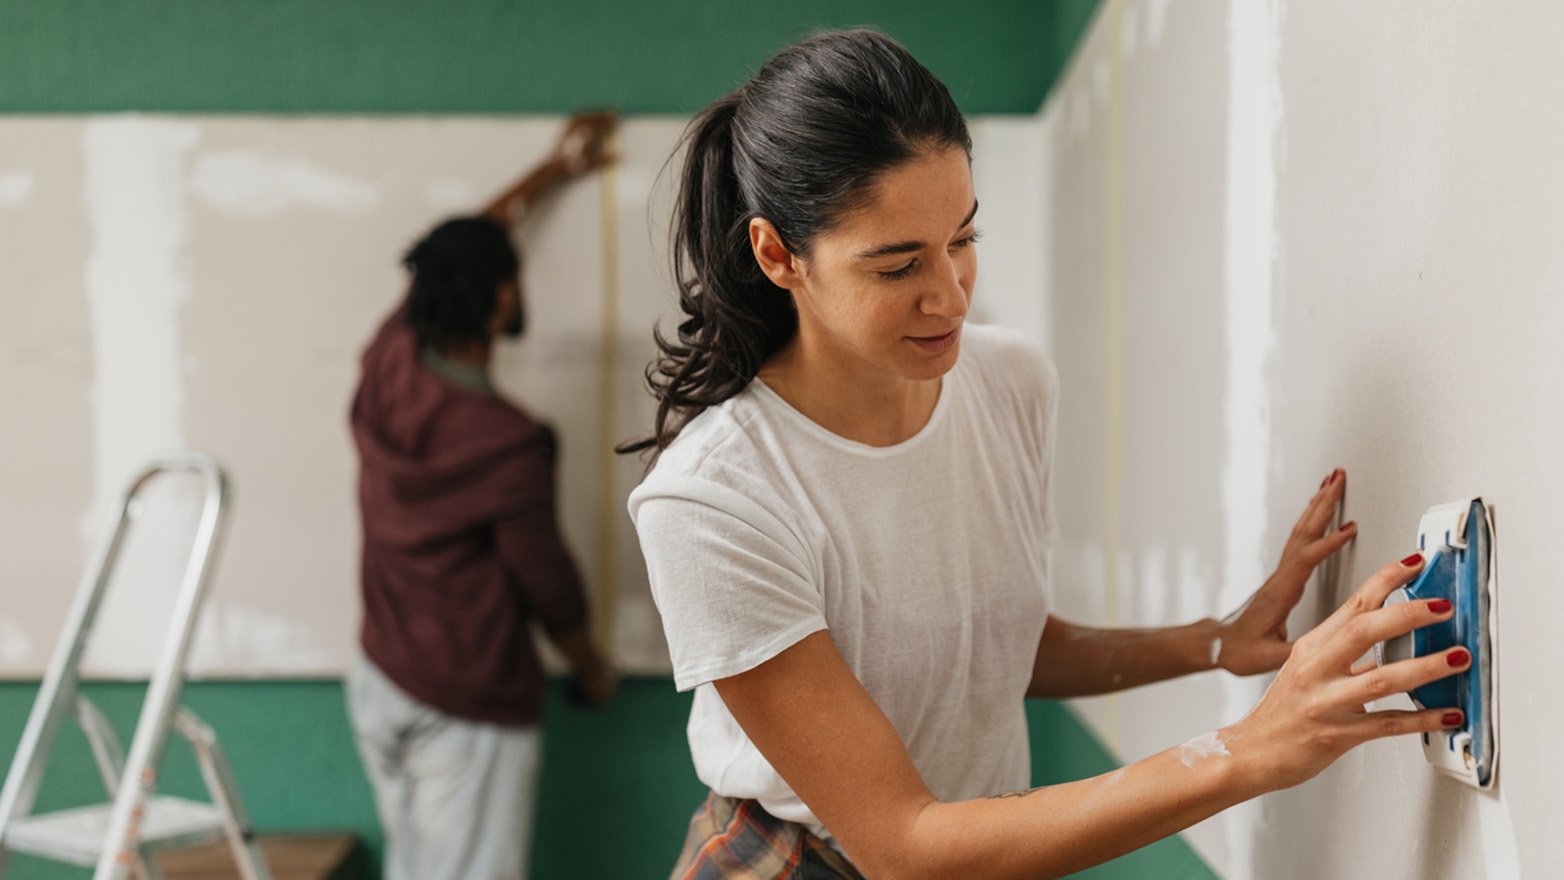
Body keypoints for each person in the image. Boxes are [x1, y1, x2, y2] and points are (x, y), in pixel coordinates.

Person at [624, 30, 1467, 880]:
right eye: (897, 266)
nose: (950, 294)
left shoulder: (1007, 381)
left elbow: (986, 647)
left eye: (962, 237)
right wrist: (1246, 751)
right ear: (778, 255)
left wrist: (1216, 641)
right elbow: (904, 847)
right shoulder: (712, 500)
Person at [347, 112, 620, 880]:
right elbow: (548, 580)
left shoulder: (388, 361)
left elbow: (462, 245)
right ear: (501, 298)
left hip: (380, 677)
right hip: (465, 699)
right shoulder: (507, 441)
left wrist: (552, 168)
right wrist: (591, 666)